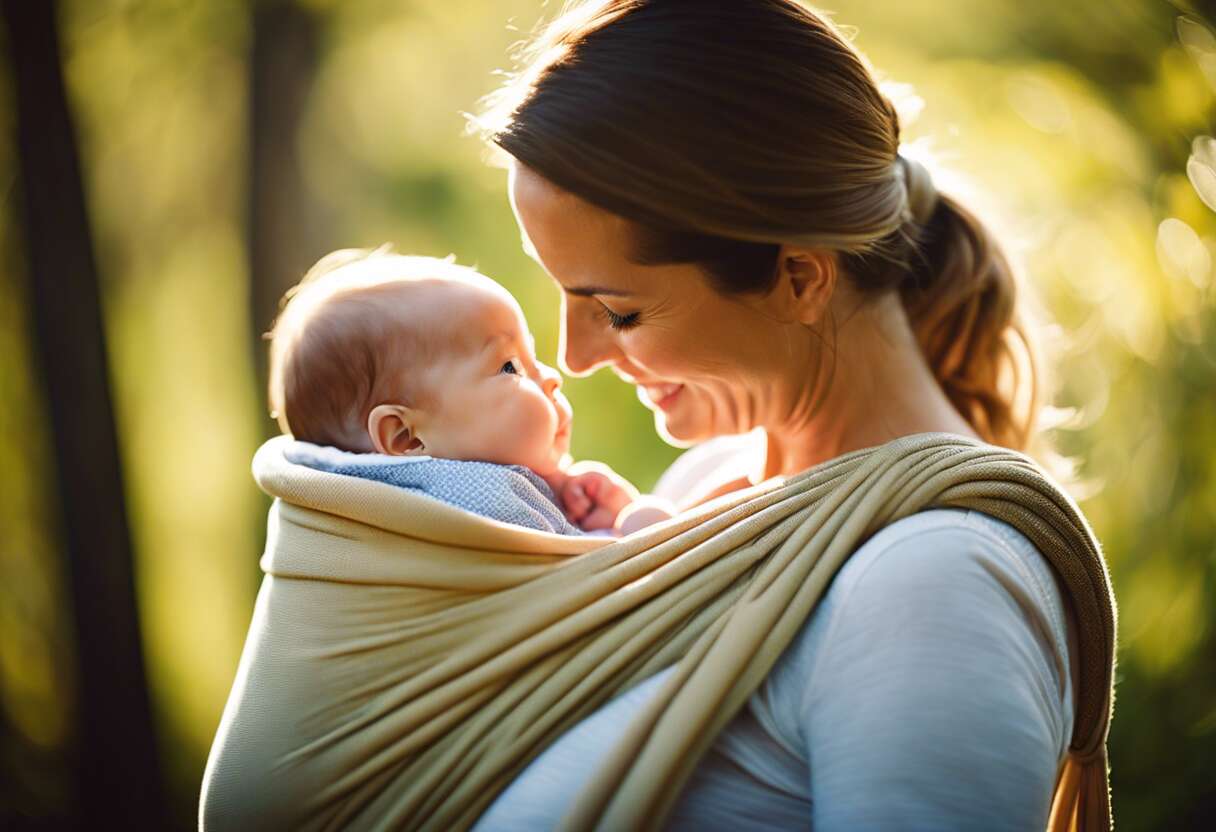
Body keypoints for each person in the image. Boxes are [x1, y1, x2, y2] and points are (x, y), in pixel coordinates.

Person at [468, 0, 1088, 828]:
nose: (572, 357)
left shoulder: (935, 588)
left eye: (616, 312)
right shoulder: (707, 485)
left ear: (799, 278)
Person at [265, 246, 674, 536]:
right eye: (510, 366)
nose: (551, 377)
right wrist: (633, 529)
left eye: (533, 358)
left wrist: (568, 501)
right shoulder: (476, 510)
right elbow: (579, 592)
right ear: (406, 438)